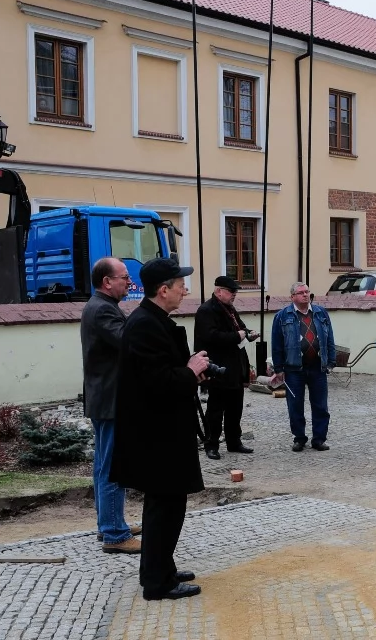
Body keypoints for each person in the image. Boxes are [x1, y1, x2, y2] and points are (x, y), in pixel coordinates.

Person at [110, 258, 207, 601]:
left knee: (165, 506)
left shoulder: (153, 321)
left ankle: (158, 566)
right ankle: (157, 582)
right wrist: (190, 370)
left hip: (162, 433)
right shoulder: (144, 326)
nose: (185, 290)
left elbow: (164, 371)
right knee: (165, 507)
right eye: (181, 285)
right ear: (163, 290)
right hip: (156, 437)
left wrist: (191, 369)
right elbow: (157, 383)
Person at [79, 257, 143, 553]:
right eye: (124, 277)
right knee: (112, 467)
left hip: (104, 398)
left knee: (104, 464)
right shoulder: (103, 309)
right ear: (107, 281)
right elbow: (127, 342)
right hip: (110, 399)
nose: (129, 282)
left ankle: (108, 523)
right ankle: (115, 534)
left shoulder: (103, 306)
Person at [194, 275, 256, 460]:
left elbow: (240, 329)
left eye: (235, 292)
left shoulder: (229, 308)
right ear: (219, 291)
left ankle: (234, 441)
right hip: (218, 366)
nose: (234, 295)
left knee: (235, 407)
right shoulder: (207, 310)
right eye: (231, 292)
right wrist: (237, 336)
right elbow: (211, 336)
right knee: (215, 409)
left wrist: (248, 333)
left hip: (235, 366)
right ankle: (211, 444)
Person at [270, 282, 336, 452]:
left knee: (321, 405)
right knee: (295, 405)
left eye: (307, 292)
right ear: (292, 297)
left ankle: (319, 439)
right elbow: (277, 344)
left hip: (317, 367)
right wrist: (278, 369)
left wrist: (331, 361)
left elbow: (329, 339)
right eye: (300, 293)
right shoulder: (282, 316)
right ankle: (299, 438)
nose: (305, 295)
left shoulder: (321, 313)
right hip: (293, 369)